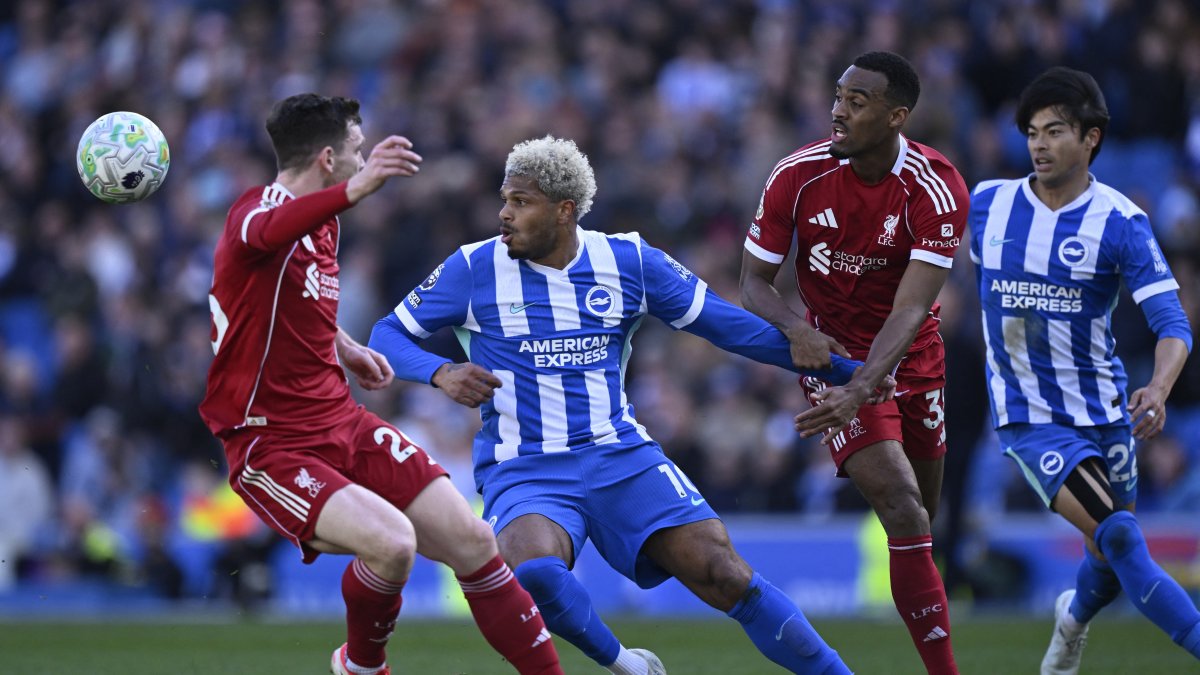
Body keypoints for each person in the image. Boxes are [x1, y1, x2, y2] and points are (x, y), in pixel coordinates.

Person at [369, 135, 873, 674]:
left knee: (724, 572)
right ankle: (626, 664)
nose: (504, 215)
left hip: (621, 457)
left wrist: (855, 372)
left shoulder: (628, 260)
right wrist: (440, 371)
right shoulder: (473, 268)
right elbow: (386, 335)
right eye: (505, 199)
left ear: (564, 212)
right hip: (527, 467)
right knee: (535, 572)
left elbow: (729, 328)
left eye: (520, 202)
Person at [198, 93, 562, 675]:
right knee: (393, 545)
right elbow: (266, 235)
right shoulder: (253, 211)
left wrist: (344, 346)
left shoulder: (323, 229)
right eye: (356, 150)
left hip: (340, 419)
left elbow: (279, 298)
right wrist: (356, 189)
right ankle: (362, 668)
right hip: (271, 443)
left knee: (472, 540)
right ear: (327, 157)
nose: (363, 158)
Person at [739, 51, 967, 675]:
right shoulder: (796, 176)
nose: (838, 110)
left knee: (922, 515)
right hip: (834, 361)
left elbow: (913, 305)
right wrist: (796, 331)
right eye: (838, 96)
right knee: (900, 504)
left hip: (913, 358)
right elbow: (753, 282)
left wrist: (869, 385)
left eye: (857, 101)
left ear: (896, 117)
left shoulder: (937, 186)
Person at [967, 67, 1200, 674]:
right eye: (1032, 132)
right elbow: (917, 273)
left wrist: (1160, 384)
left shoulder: (1121, 222)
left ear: (1090, 138)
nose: (1039, 144)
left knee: (1107, 550)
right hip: (1030, 417)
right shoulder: (987, 206)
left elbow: (1173, 324)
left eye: (1055, 131)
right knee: (1121, 537)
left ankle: (1071, 621)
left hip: (1105, 411)